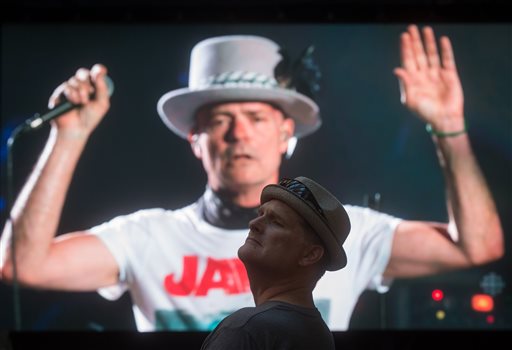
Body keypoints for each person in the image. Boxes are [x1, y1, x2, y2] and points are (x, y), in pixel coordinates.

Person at [0, 25, 504, 331]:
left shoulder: (343, 232)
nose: (238, 133)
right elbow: (23, 266)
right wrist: (68, 136)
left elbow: (476, 248)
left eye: (257, 118)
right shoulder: (144, 237)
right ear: (195, 138)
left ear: (287, 134)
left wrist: (449, 128)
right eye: (220, 120)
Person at [201, 176, 350, 350]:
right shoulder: (319, 333)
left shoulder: (246, 330)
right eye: (260, 214)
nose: (253, 224)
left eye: (276, 222)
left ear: (310, 254)